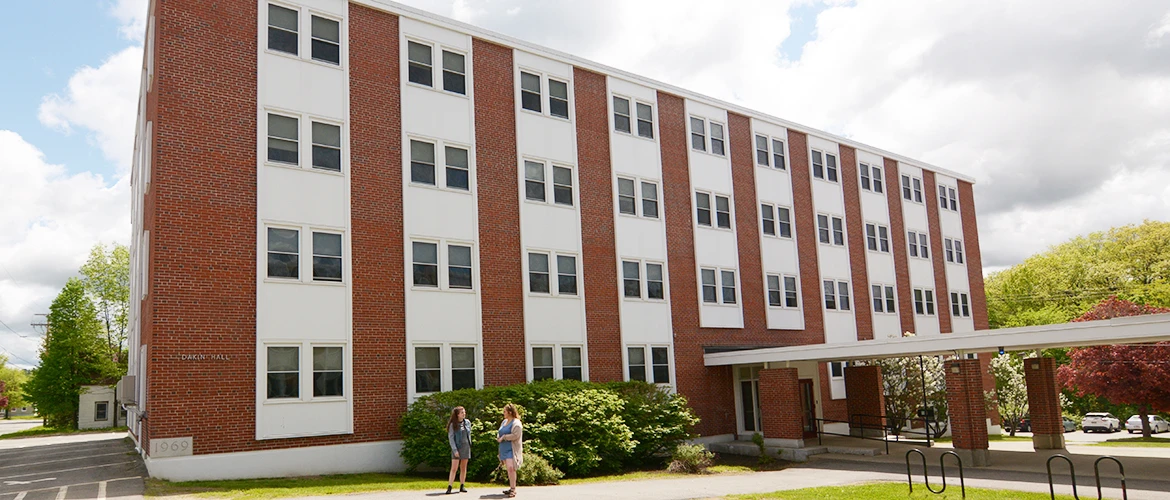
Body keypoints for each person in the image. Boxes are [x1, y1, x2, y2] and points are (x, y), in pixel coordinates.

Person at [496, 403, 523, 498]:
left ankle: (513, 489)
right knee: (508, 468)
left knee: (511, 468)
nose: (503, 413)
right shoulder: (504, 422)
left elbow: (516, 435)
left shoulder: (516, 423)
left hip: (512, 449)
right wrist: (499, 437)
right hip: (503, 449)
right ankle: (511, 486)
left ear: (510, 412)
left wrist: (504, 437)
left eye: (505, 411)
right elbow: (500, 431)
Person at [446, 406, 472, 495]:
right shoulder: (453, 424)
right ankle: (450, 486)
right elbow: (451, 438)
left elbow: (469, 434)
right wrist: (455, 450)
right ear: (457, 414)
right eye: (462, 413)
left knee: (463, 467)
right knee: (454, 468)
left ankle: (462, 485)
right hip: (457, 447)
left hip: (466, 447)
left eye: (464, 412)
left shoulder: (467, 423)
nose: (464, 414)